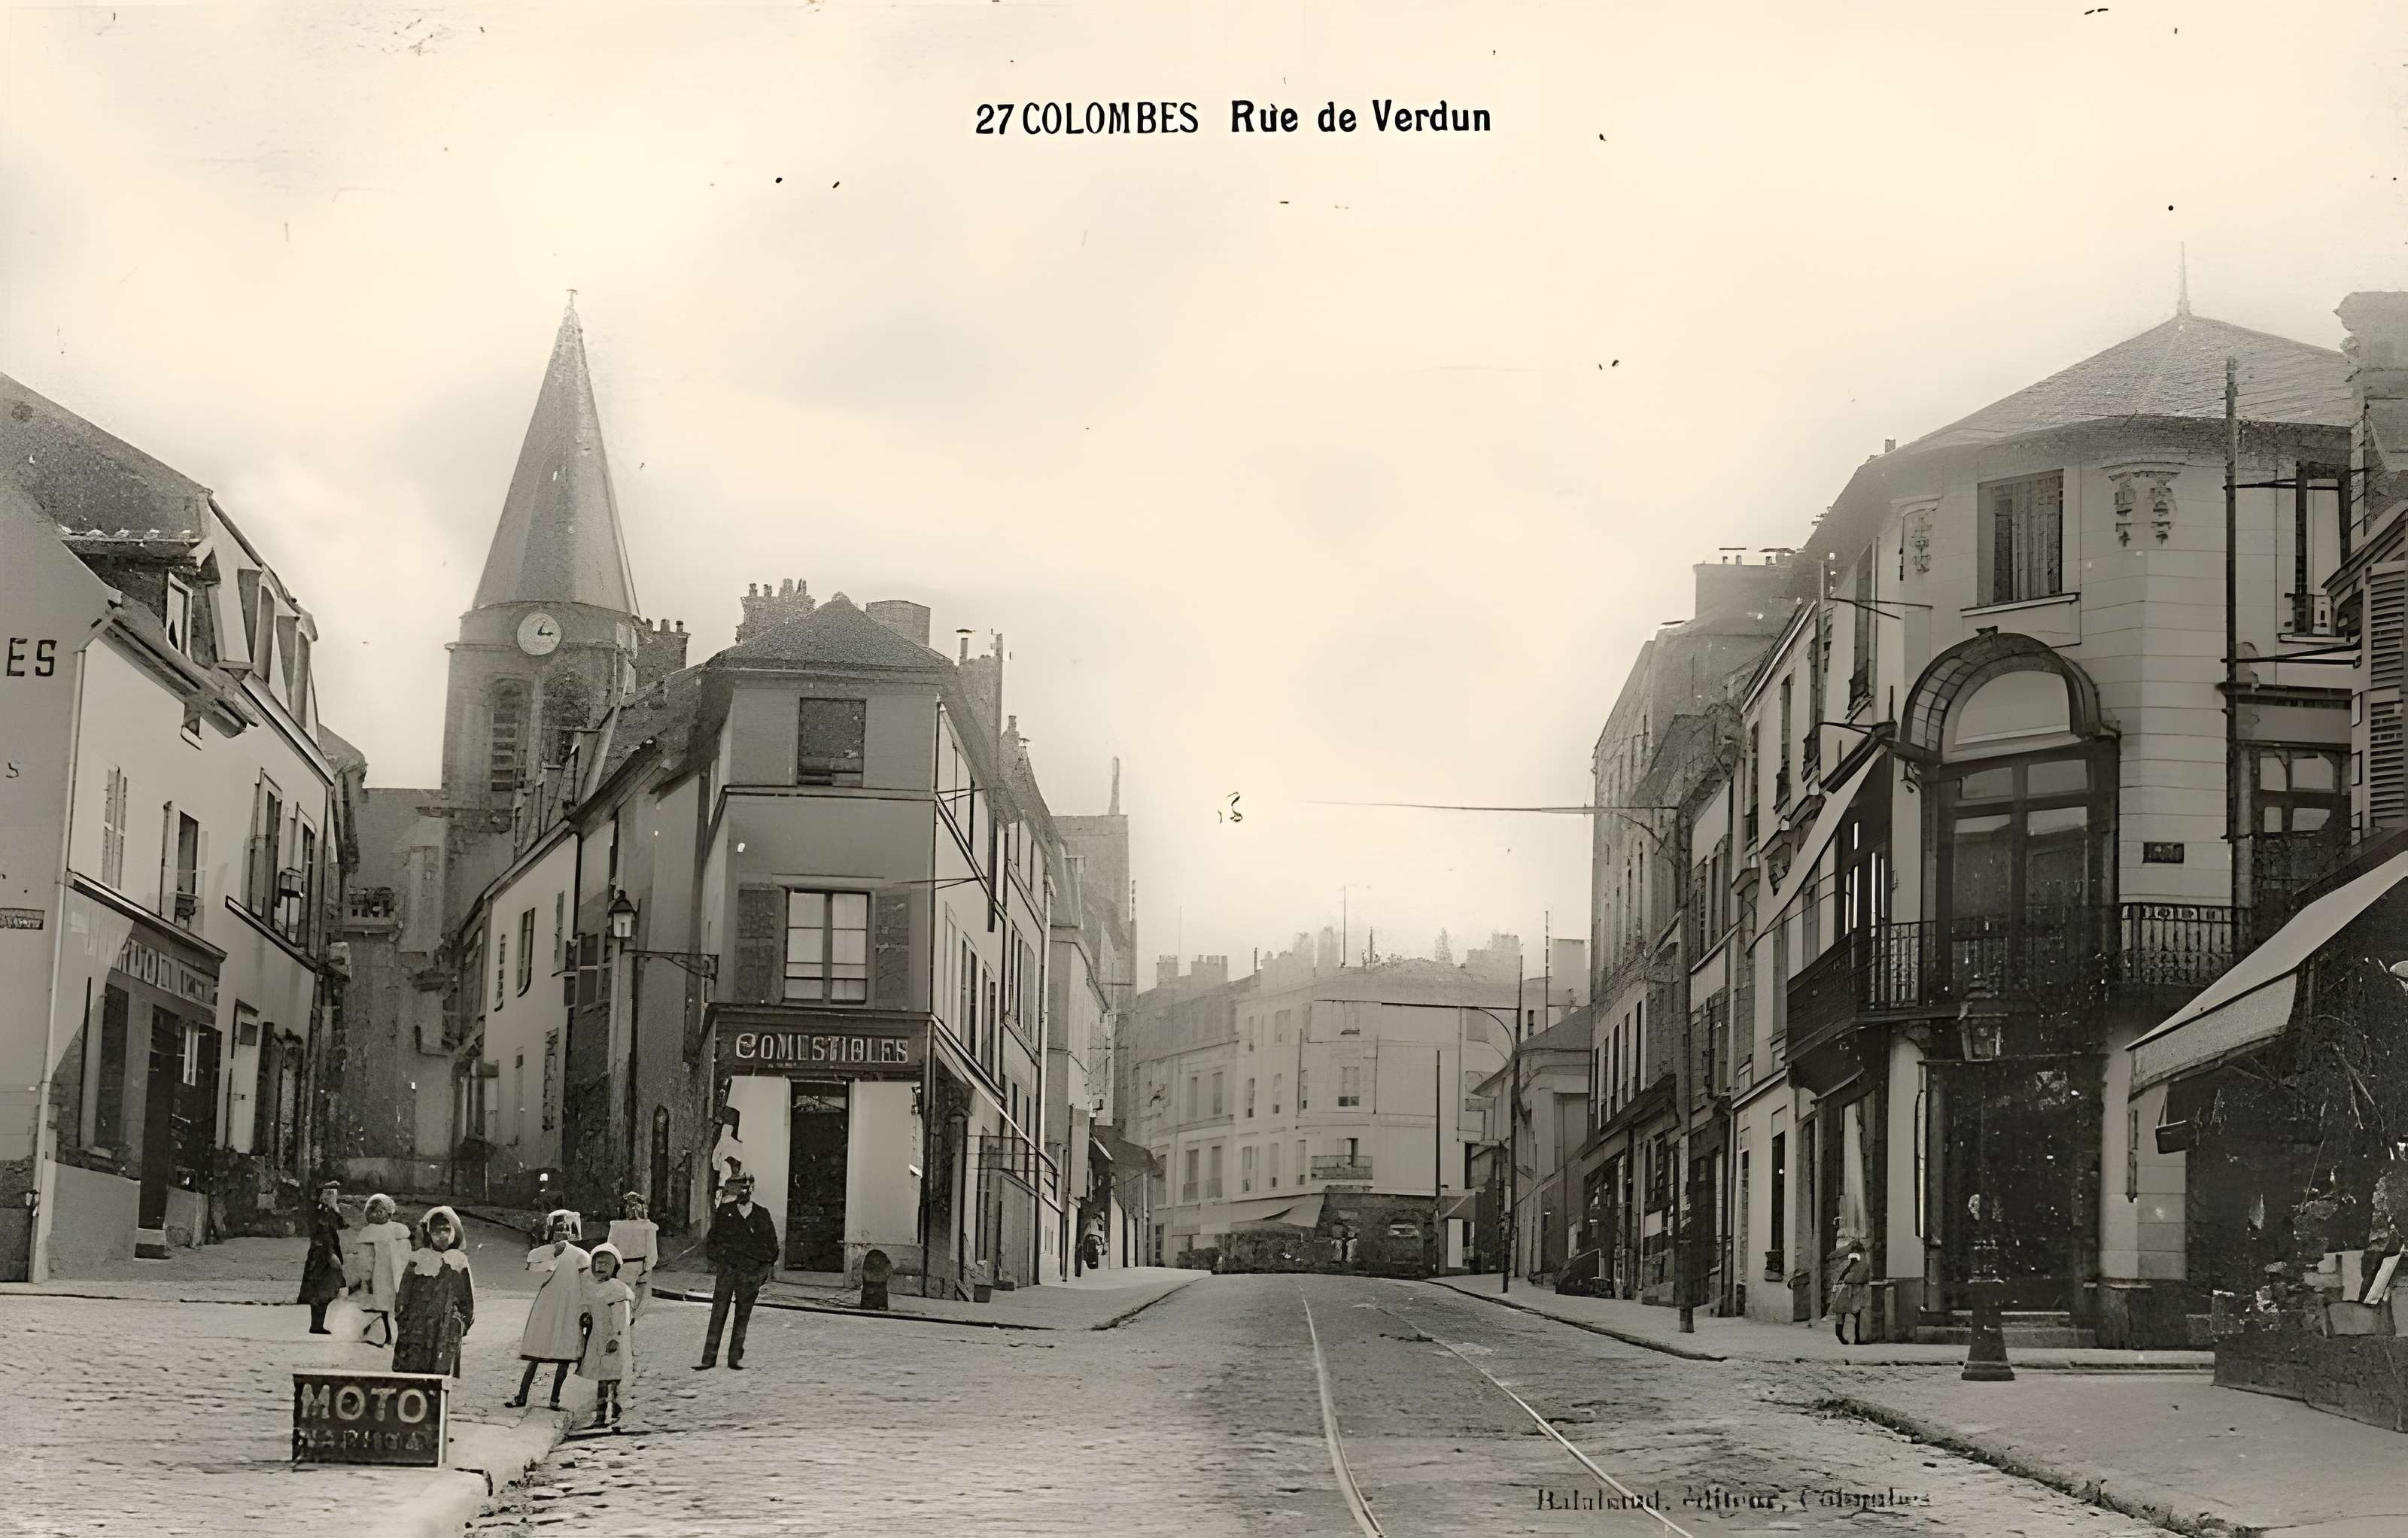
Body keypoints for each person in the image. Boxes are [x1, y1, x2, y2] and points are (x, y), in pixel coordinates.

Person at [695, 1175, 778, 1370]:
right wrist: (721, 1257)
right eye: (741, 1187)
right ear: (735, 1189)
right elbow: (712, 1241)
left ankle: (735, 1358)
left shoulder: (761, 1215)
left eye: (748, 1188)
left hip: (749, 1274)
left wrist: (761, 1273)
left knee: (743, 1315)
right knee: (718, 1312)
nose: (744, 1191)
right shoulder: (725, 1212)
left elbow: (772, 1247)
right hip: (727, 1271)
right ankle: (709, 1359)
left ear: (753, 1189)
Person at [509, 1209, 589, 1409]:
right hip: (548, 1306)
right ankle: (522, 1396)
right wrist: (553, 1250)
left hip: (571, 1305)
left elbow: (586, 1282)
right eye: (557, 1229)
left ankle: (554, 1399)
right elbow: (533, 1261)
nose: (561, 1233)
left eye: (565, 1229)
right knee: (537, 1351)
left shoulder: (581, 1256)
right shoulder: (548, 1253)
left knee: (565, 1352)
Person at [392, 1205, 476, 1378]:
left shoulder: (458, 1261)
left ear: (454, 1232)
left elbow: (467, 1298)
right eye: (437, 1231)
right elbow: (404, 1294)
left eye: (447, 1230)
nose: (443, 1236)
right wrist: (403, 1321)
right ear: (429, 1232)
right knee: (414, 1371)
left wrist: (462, 1323)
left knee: (440, 1375)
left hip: (446, 1327)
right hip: (417, 1327)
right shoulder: (418, 1259)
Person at [578, 1243, 636, 1429]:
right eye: (598, 1263)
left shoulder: (618, 1289)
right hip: (597, 1339)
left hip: (613, 1341)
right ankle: (600, 1416)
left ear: (615, 1267)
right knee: (602, 1379)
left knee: (615, 1379)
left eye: (606, 1263)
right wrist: (586, 1317)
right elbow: (589, 1308)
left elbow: (623, 1318)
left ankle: (617, 1413)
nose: (601, 1267)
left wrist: (615, 1338)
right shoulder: (591, 1288)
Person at [349, 1194, 412, 1348]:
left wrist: (365, 1277)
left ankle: (380, 1334)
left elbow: (366, 1261)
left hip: (378, 1278)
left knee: (378, 1307)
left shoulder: (369, 1234)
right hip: (397, 1276)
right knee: (393, 1306)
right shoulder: (400, 1231)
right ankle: (393, 1334)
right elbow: (407, 1255)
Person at [297, 1181, 347, 1335]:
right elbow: (324, 1235)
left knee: (325, 1291)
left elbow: (340, 1224)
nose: (334, 1197)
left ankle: (317, 1325)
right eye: (330, 1194)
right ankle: (316, 1325)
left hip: (322, 1256)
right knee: (323, 1291)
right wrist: (331, 1254)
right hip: (322, 1258)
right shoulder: (322, 1212)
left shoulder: (327, 1210)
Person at [606, 1191, 661, 1320]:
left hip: (622, 1265)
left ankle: (624, 1317)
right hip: (640, 1265)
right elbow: (652, 1250)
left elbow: (610, 1247)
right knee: (640, 1296)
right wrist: (648, 1266)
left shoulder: (616, 1227)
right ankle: (631, 1317)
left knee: (623, 1294)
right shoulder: (648, 1227)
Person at [1830, 1235, 1871, 1345]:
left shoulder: (1860, 1262)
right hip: (1847, 1289)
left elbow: (1860, 1276)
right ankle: (1844, 1336)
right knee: (1844, 1313)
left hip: (1855, 1289)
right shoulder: (1850, 1262)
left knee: (1856, 1314)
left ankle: (1856, 1338)